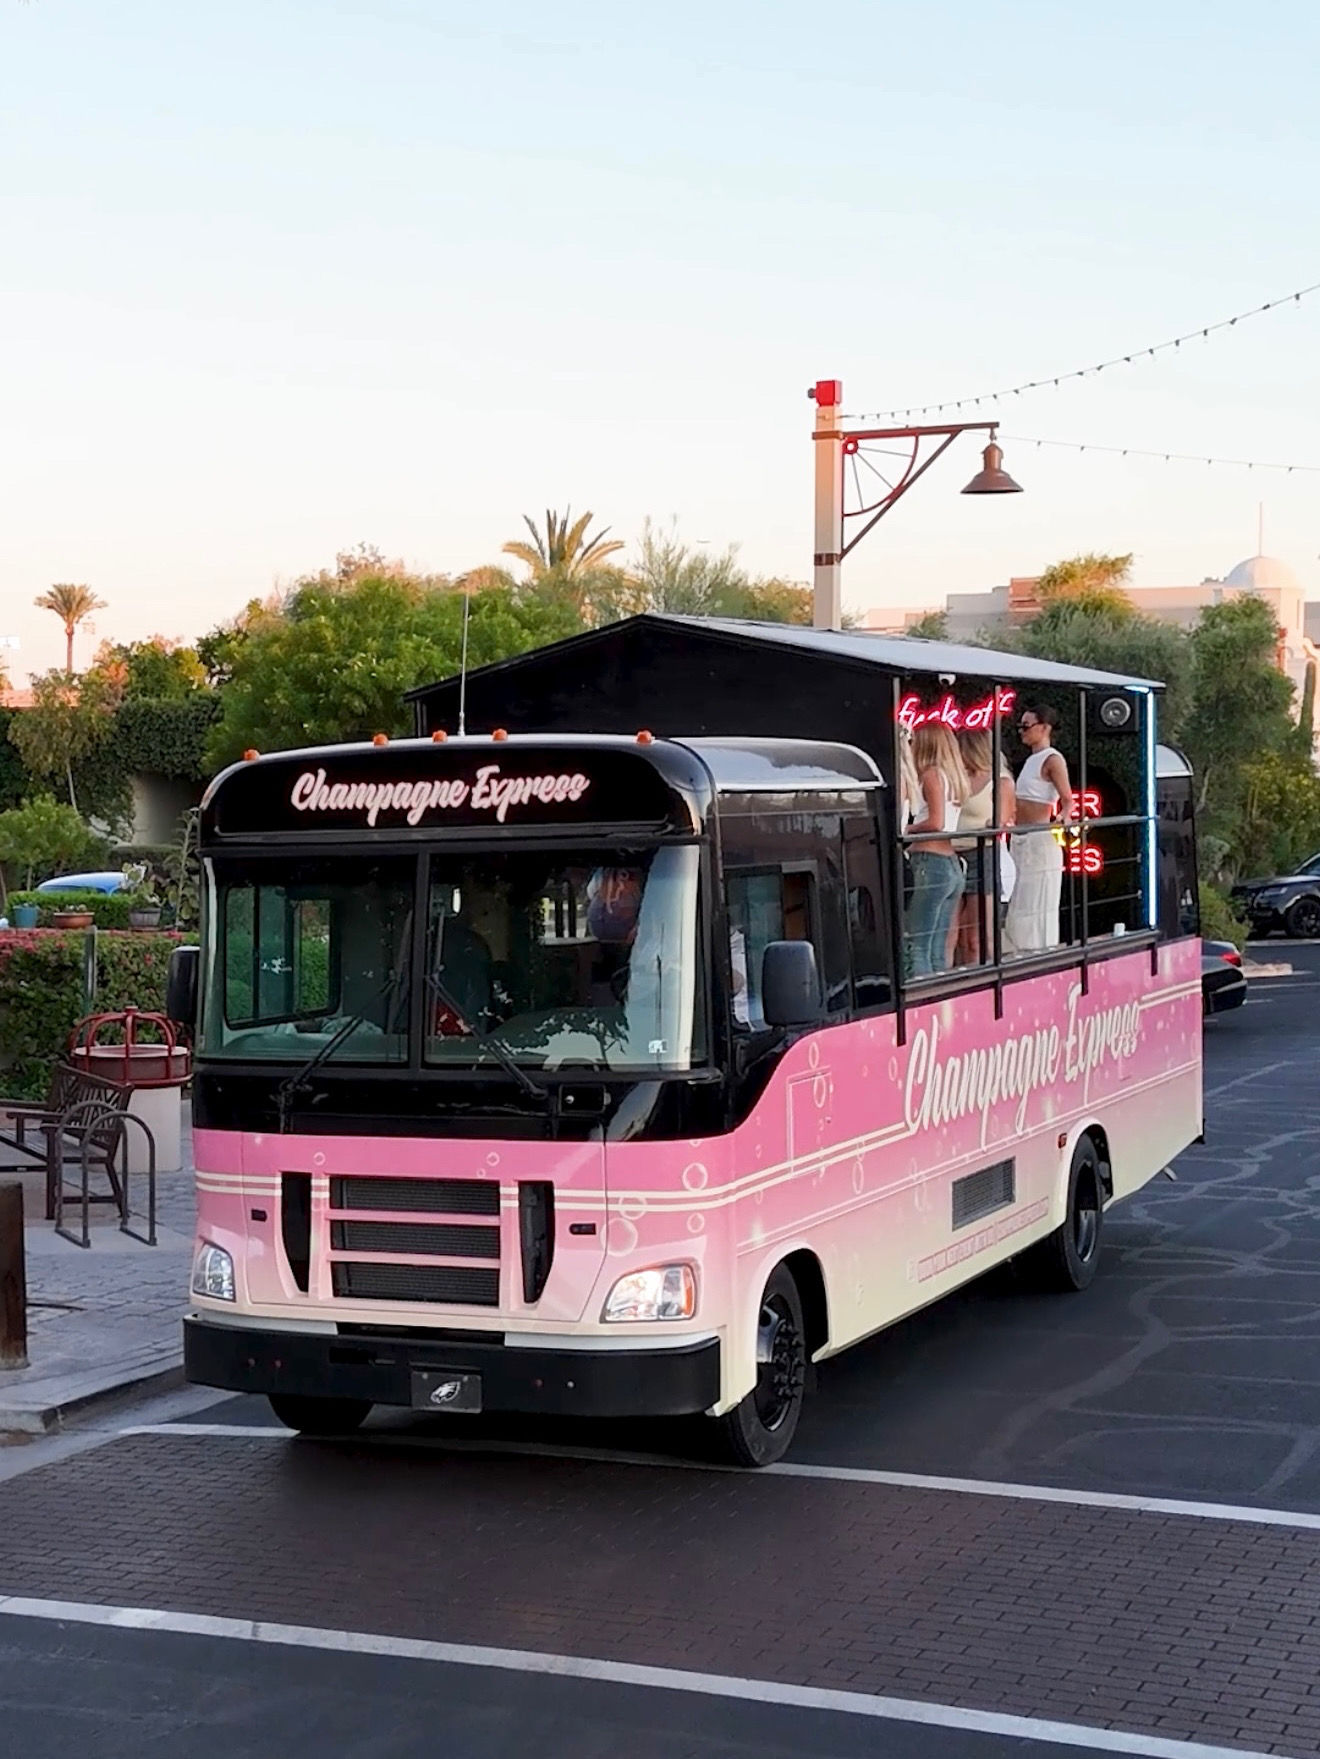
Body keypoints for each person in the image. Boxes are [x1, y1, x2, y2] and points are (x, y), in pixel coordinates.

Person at [1003, 704, 1073, 954]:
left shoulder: (1052, 759)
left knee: (1036, 899)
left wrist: (1063, 816)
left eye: (1027, 726)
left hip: (1039, 837)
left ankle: (1036, 951)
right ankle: (1019, 948)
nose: (1022, 731)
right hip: (1021, 837)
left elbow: (1068, 798)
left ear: (1044, 728)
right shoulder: (1032, 760)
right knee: (1019, 897)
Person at [905, 723, 968, 977]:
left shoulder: (931, 774)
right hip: (950, 863)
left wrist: (908, 829)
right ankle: (939, 1001)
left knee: (918, 943)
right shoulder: (953, 777)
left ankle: (920, 1003)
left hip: (928, 860)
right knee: (938, 948)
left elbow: (936, 822)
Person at [951, 727, 1016, 966]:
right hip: (952, 854)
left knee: (977, 936)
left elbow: (1004, 821)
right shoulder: (954, 778)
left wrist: (992, 824)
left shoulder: (1001, 781)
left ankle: (983, 980)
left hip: (983, 854)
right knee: (952, 932)